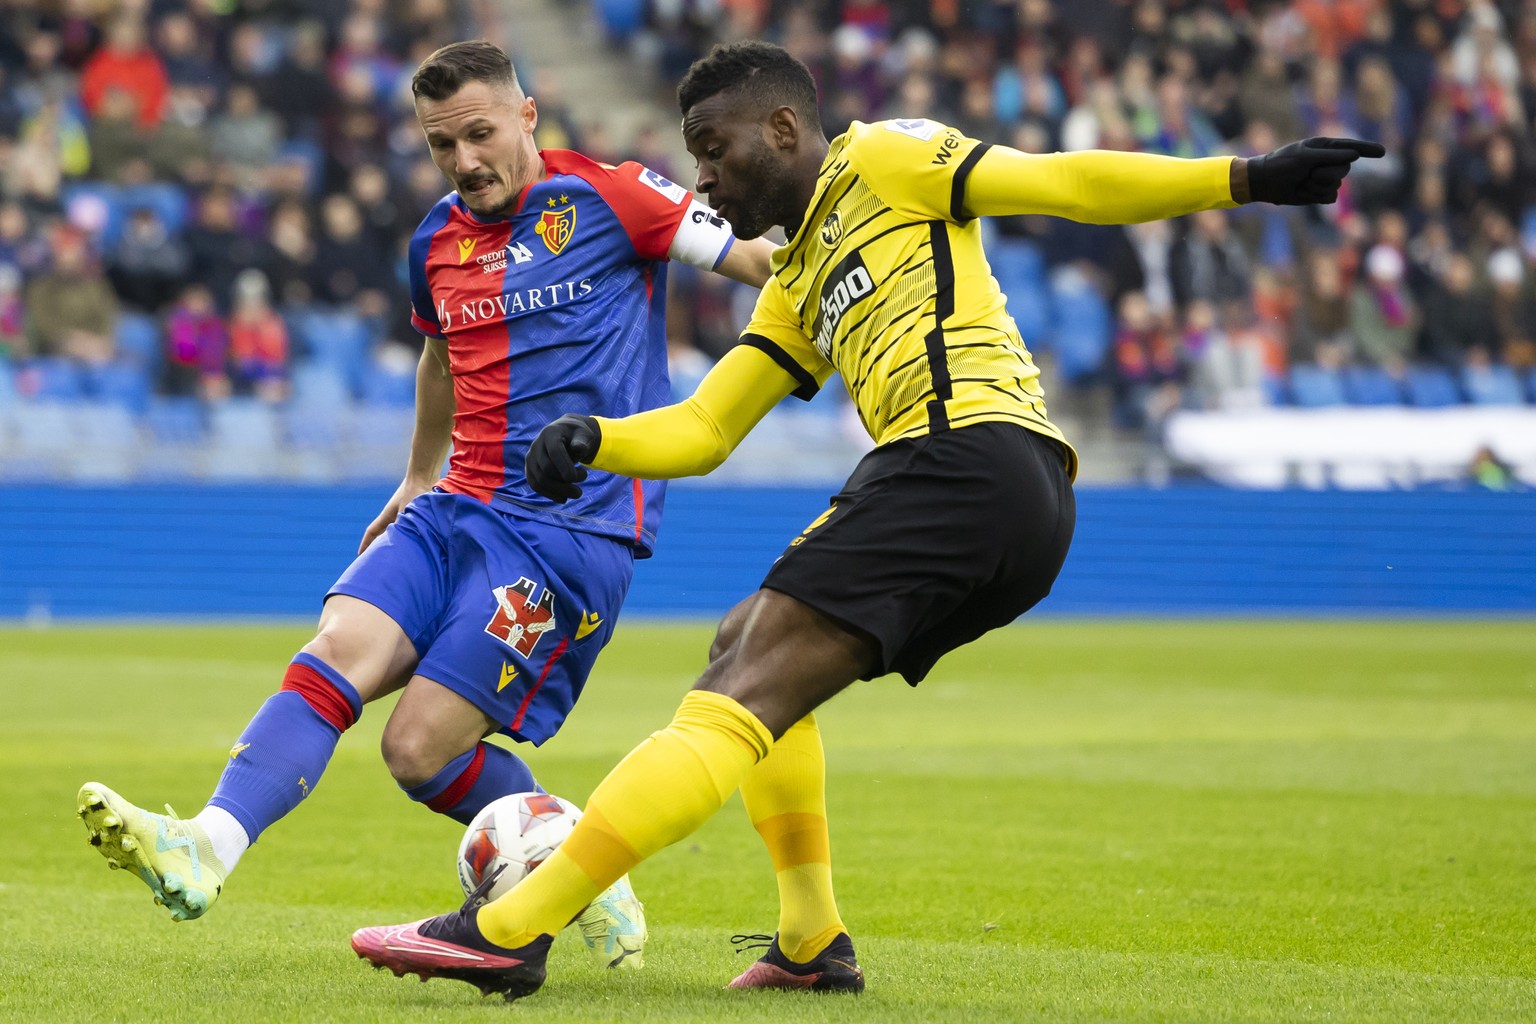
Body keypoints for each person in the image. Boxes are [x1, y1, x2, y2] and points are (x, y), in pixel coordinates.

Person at [350, 41, 1384, 999]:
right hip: (978, 492)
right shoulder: (795, 278)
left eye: (714, 151)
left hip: (971, 457)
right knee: (755, 653)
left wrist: (1245, 177)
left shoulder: (890, 158)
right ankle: (811, 942)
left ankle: (514, 922)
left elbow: (1064, 181)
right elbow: (710, 426)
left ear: (785, 131)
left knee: (734, 685)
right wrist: (599, 440)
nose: (702, 180)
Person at [75, 40, 776, 972]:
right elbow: (439, 355)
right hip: (452, 508)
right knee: (334, 650)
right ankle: (206, 844)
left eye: (481, 134)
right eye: (444, 145)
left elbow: (758, 264)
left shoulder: (617, 196)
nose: (466, 161)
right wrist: (415, 476)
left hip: (567, 532)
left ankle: (585, 872)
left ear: (528, 116)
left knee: (416, 752)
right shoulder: (434, 239)